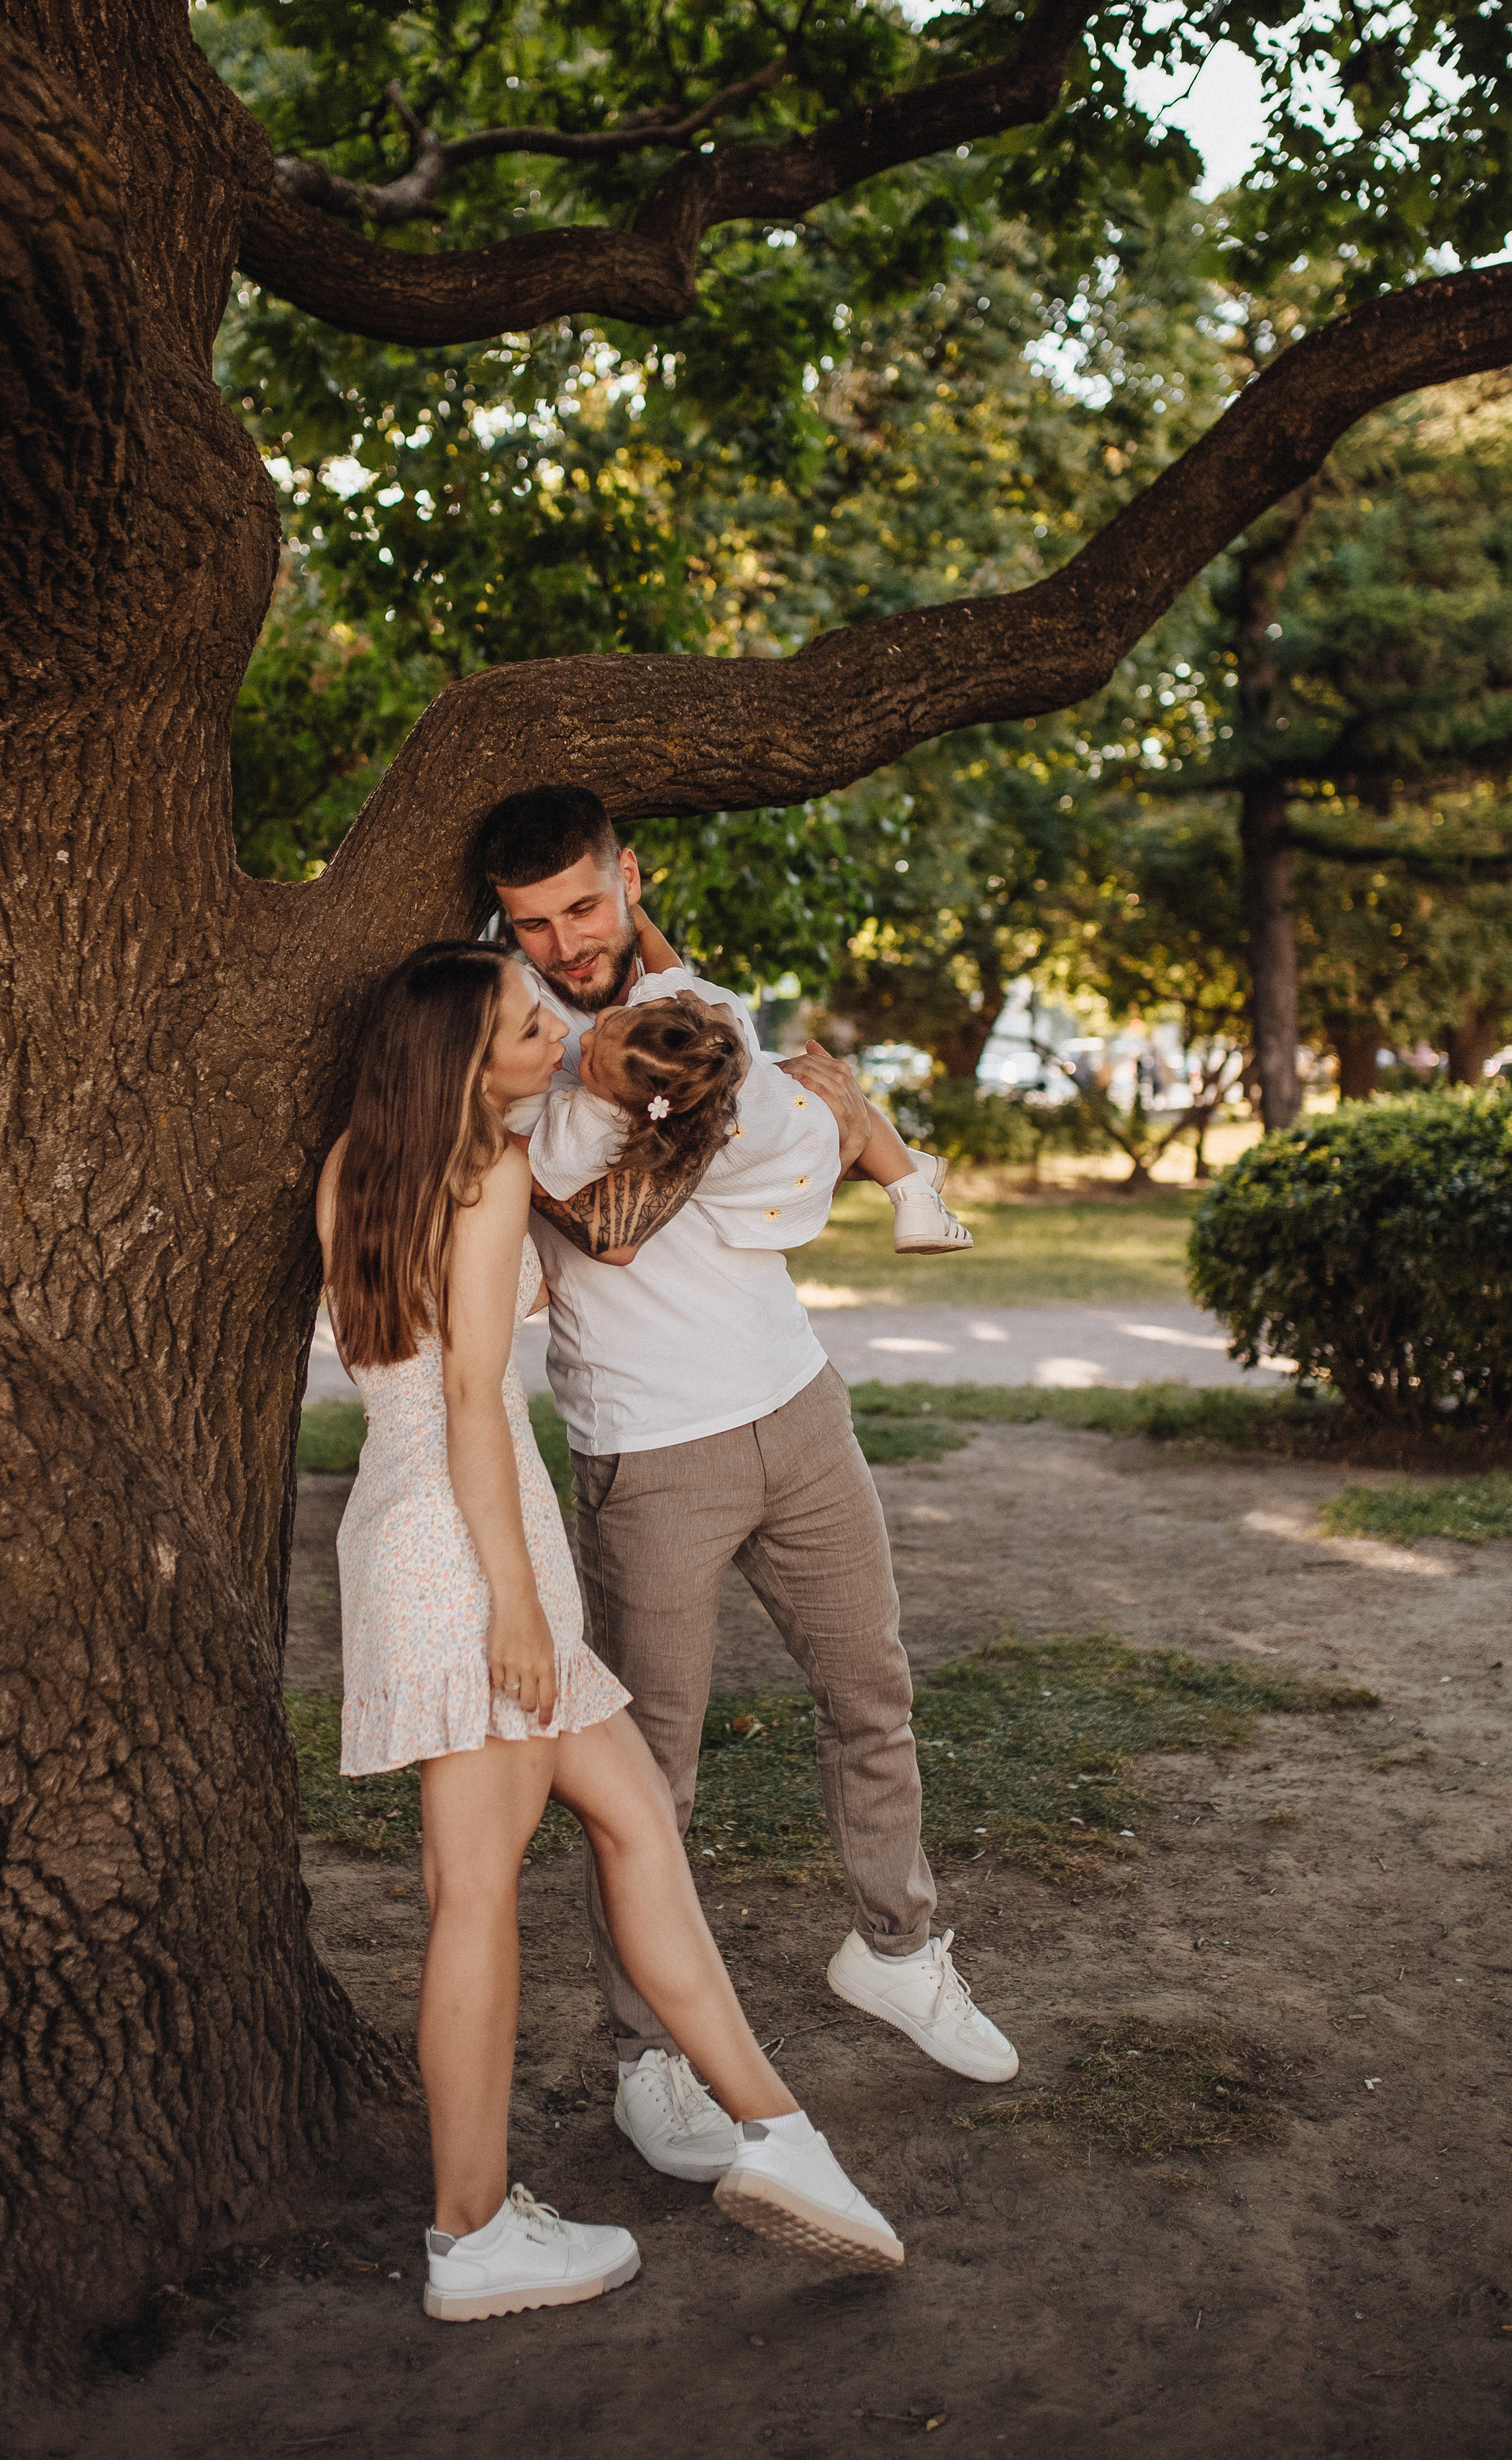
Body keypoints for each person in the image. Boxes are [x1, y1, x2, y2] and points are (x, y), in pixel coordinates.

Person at [316, 941, 904, 2323]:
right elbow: (473, 1398)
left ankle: (781, 2139)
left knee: (637, 1820)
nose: (553, 1034)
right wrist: (517, 1610)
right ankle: (471, 2236)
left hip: (412, 1531)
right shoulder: (490, 1177)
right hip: (473, 1556)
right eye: (528, 1026)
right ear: (468, 1063)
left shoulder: (358, 1163)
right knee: (476, 1898)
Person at [472, 785, 1019, 2189]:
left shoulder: (700, 999)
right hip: (649, 1453)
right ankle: (646, 2056)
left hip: (797, 1408)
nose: (566, 940)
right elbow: (580, 1183)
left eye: (584, 907)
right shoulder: (514, 1039)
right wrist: (643, 1106)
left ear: (626, 878)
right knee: (648, 1775)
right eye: (534, 922)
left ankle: (897, 1949)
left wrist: (739, 1126)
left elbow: (788, 1183)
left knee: (871, 1692)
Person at [506, 904, 973, 1256]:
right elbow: (670, 971)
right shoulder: (676, 1033)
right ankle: (910, 1185)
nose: (580, 1040)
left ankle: (911, 1180)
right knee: (827, 1092)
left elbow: (541, 1161)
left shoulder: (600, 1115)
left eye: (601, 1026)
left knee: (821, 1094)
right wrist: (643, 926)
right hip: (796, 1116)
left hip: (775, 1162)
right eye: (588, 1059)